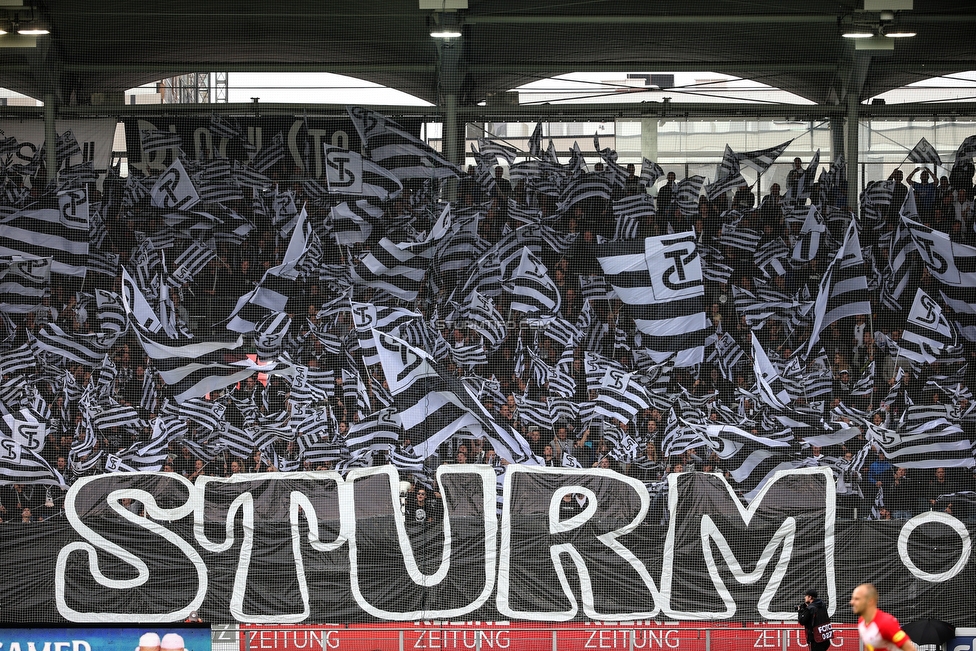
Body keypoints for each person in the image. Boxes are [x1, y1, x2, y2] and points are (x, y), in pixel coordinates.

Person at [850, 583, 917, 651]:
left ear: (870, 601)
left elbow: (910, 649)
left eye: (857, 599)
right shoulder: (862, 621)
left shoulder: (886, 623)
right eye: (852, 598)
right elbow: (869, 645)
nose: (851, 602)